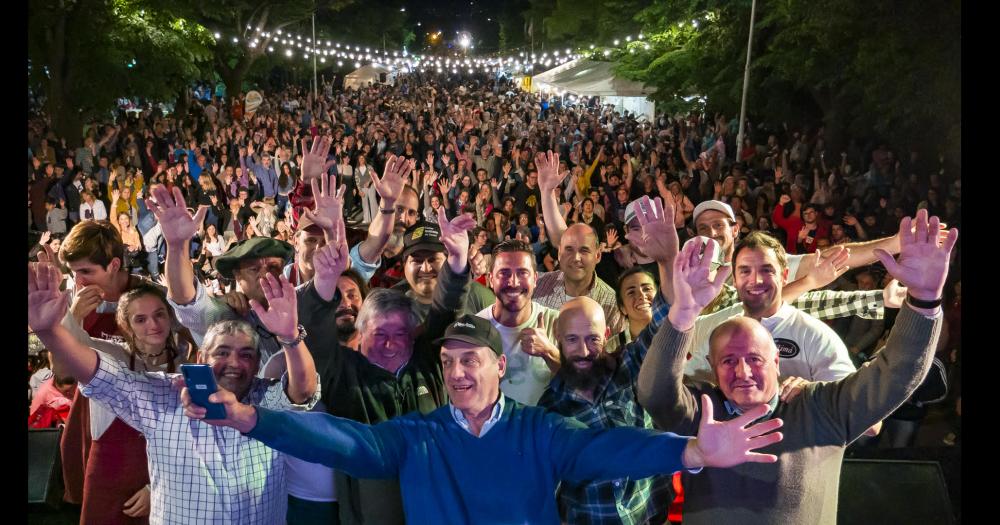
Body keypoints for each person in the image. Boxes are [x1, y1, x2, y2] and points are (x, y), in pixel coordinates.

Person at [183, 313, 785, 524]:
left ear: (500, 366)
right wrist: (248, 419)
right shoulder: (417, 436)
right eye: (448, 363)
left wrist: (691, 452)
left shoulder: (539, 430)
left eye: (471, 360)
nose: (459, 373)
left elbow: (609, 448)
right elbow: (347, 444)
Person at [637, 210, 957, 524]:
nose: (744, 372)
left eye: (755, 359)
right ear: (712, 364)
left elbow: (896, 375)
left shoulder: (818, 406)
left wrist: (924, 300)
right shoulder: (704, 409)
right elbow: (655, 393)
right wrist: (681, 311)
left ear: (777, 361)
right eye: (729, 360)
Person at [29, 260, 320, 524]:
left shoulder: (265, 398)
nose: (234, 362)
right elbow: (98, 373)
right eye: (223, 352)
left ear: (257, 363)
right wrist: (49, 331)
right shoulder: (165, 394)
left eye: (246, 354)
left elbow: (303, 392)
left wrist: (290, 337)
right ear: (202, 357)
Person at [537, 194, 680, 524]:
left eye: (593, 339)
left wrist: (668, 260)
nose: (585, 350)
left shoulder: (627, 368)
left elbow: (665, 318)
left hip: (651, 514)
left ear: (608, 337)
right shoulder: (548, 410)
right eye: (572, 340)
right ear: (558, 340)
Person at [391, 221, 496, 321]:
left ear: (448, 261)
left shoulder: (477, 295)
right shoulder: (388, 303)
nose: (426, 268)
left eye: (433, 259)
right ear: (404, 265)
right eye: (417, 260)